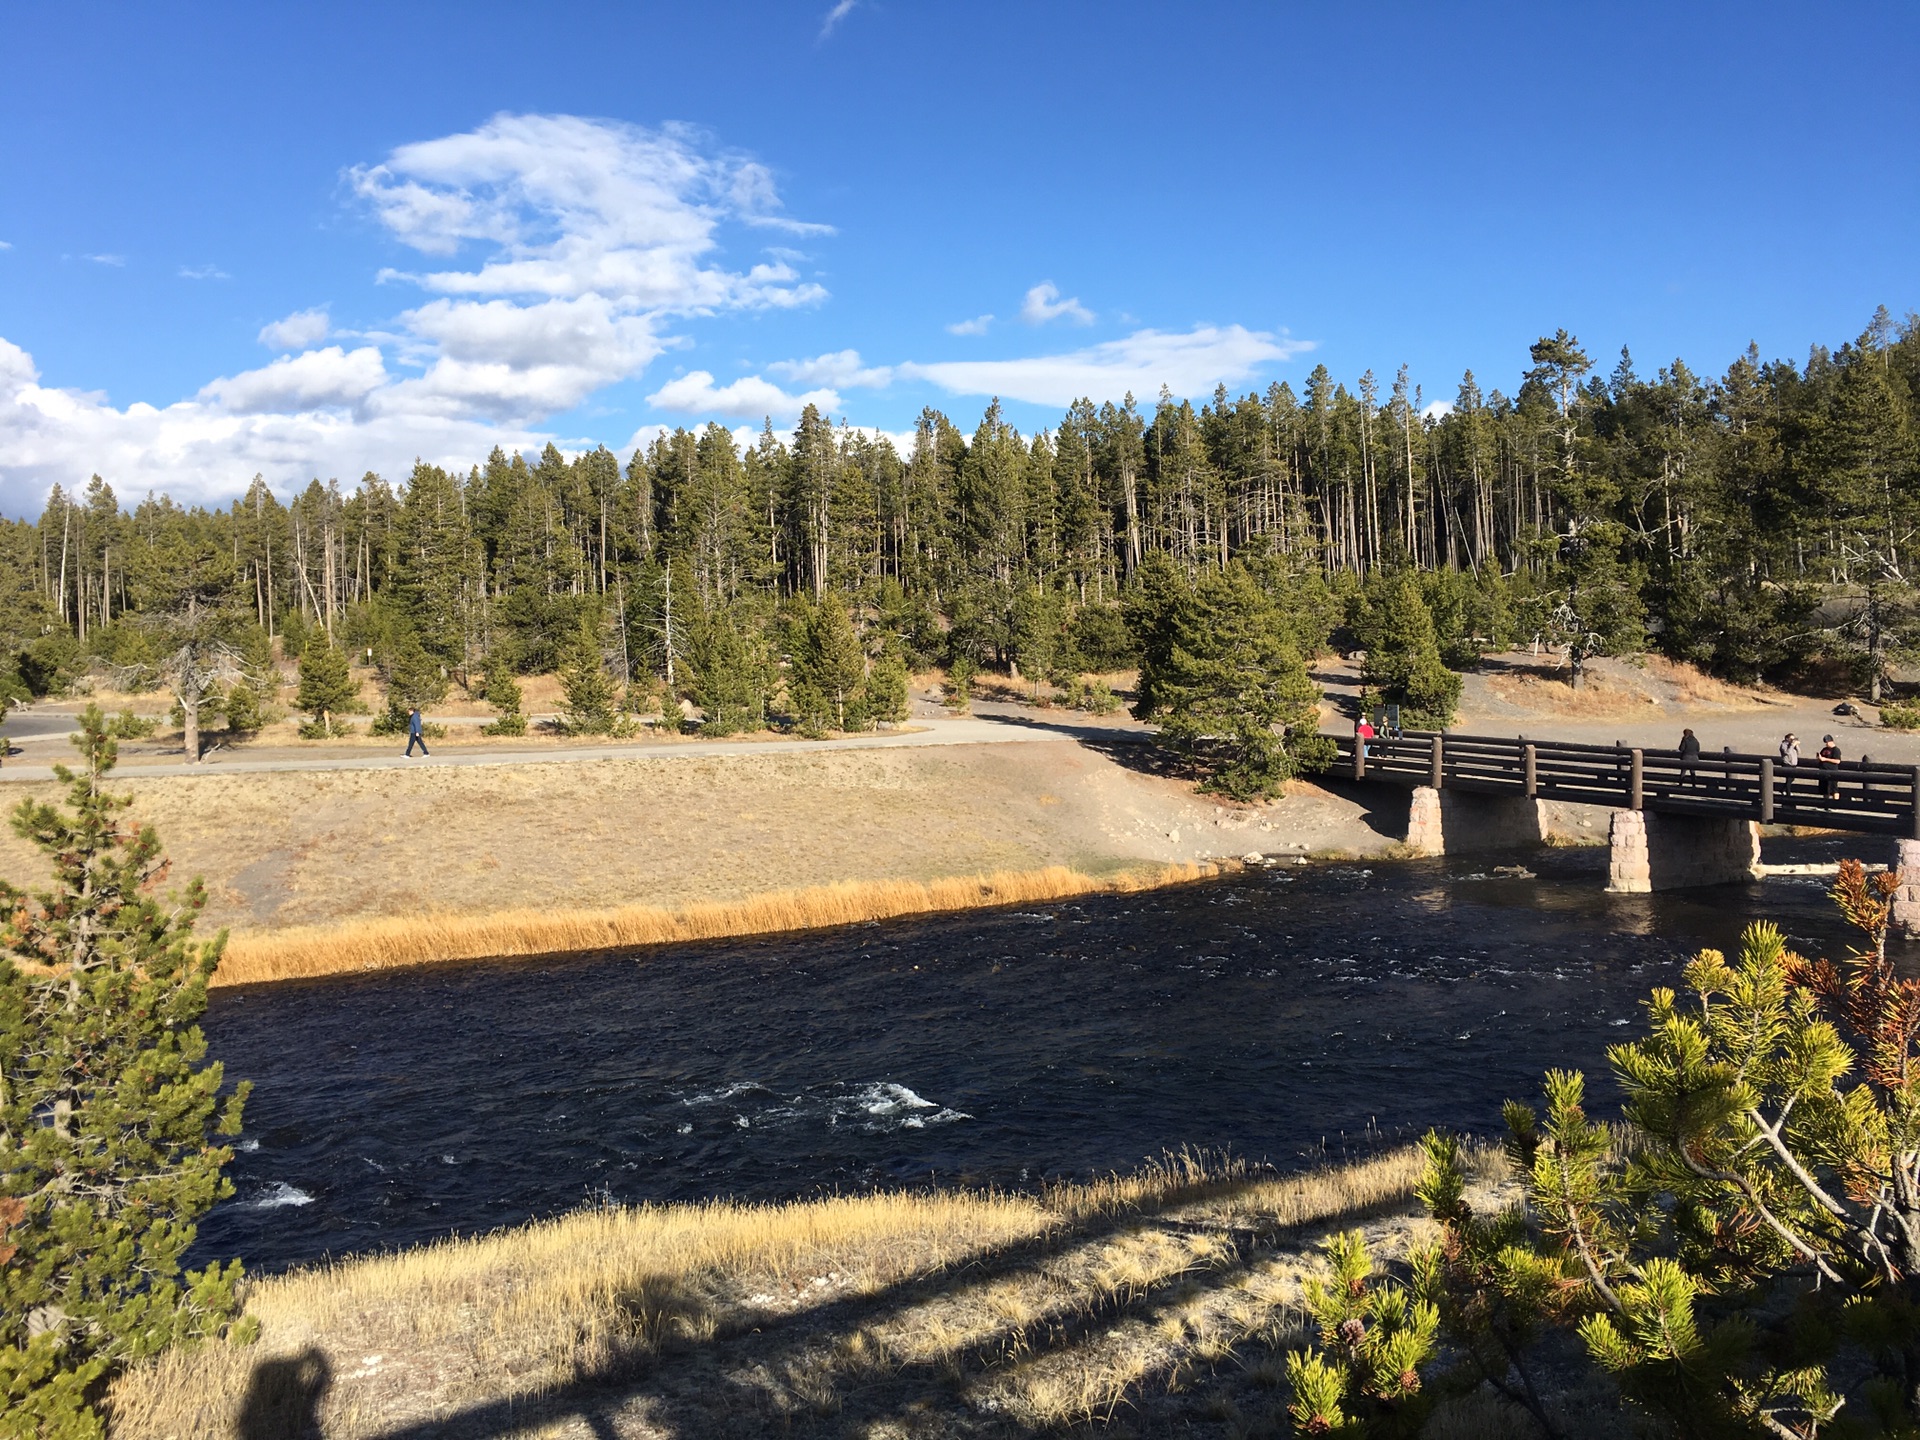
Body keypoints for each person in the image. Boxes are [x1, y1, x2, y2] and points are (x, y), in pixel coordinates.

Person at [1818, 733, 1842, 802]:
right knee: (1824, 789)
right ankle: (1825, 803)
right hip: (1823, 771)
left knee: (1834, 788)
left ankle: (1835, 804)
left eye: (1827, 742)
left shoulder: (1836, 750)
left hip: (1832, 771)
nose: (1826, 744)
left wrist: (1825, 759)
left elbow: (1837, 761)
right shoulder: (1824, 749)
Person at [1777, 732, 1799, 799]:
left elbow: (1799, 752)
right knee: (1789, 779)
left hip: (1793, 764)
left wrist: (1796, 746)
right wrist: (1792, 745)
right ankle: (1788, 793)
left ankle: (1783, 789)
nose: (1792, 740)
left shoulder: (1793, 746)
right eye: (1791, 739)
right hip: (1787, 764)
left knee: (1792, 778)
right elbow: (1787, 752)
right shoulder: (1783, 745)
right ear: (1787, 738)